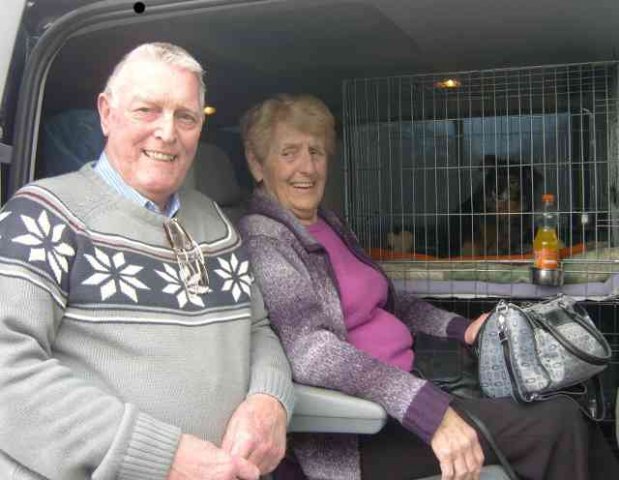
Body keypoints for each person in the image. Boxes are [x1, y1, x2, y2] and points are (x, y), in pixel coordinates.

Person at [237, 93, 619, 480]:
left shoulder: (327, 223)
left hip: (411, 391)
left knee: (564, 411)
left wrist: (461, 328)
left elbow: (393, 302)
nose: (308, 167)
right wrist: (427, 411)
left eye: (316, 152)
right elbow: (311, 352)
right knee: (556, 421)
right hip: (360, 432)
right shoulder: (265, 239)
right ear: (257, 163)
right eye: (289, 152)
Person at [0, 43, 295, 480]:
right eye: (147, 110)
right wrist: (161, 456)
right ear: (106, 112)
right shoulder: (42, 216)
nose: (167, 132)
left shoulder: (217, 223)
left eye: (186, 117)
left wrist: (270, 401)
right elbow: (7, 372)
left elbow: (257, 329)